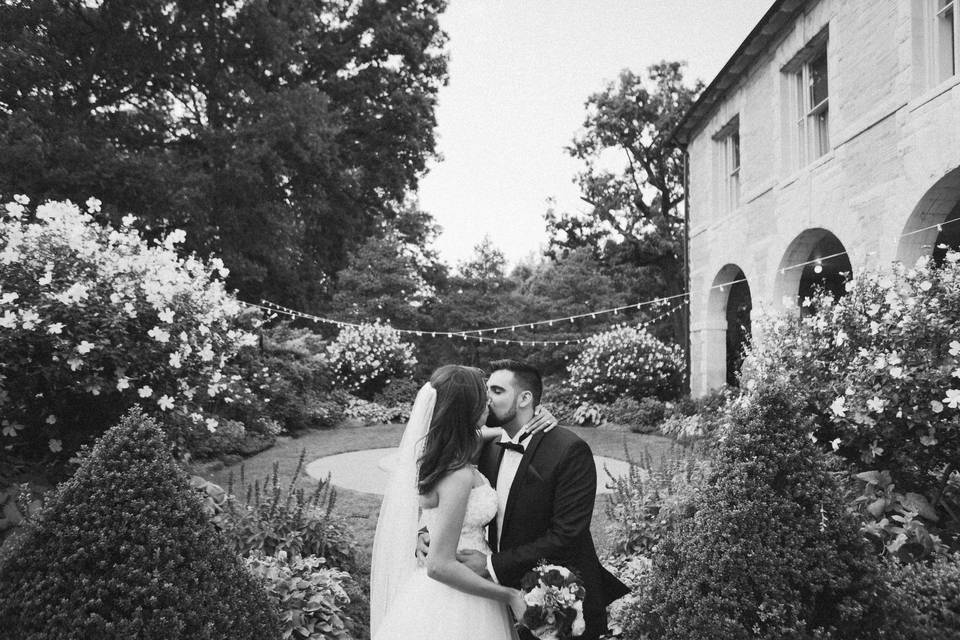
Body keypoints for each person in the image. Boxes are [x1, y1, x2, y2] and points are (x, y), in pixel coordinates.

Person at [454, 359, 630, 640]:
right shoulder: (489, 448)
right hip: (501, 601)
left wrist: (490, 565)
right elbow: (451, 494)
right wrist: (424, 530)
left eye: (497, 391)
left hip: (563, 601)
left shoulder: (569, 450)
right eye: (487, 390)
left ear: (525, 399)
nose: (486, 398)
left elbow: (567, 534)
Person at [369, 365, 528, 640]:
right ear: (466, 407)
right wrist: (510, 595)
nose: (489, 399)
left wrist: (532, 420)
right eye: (483, 394)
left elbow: (485, 435)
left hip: (455, 589)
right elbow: (439, 565)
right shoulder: (458, 475)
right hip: (461, 594)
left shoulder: (443, 454)